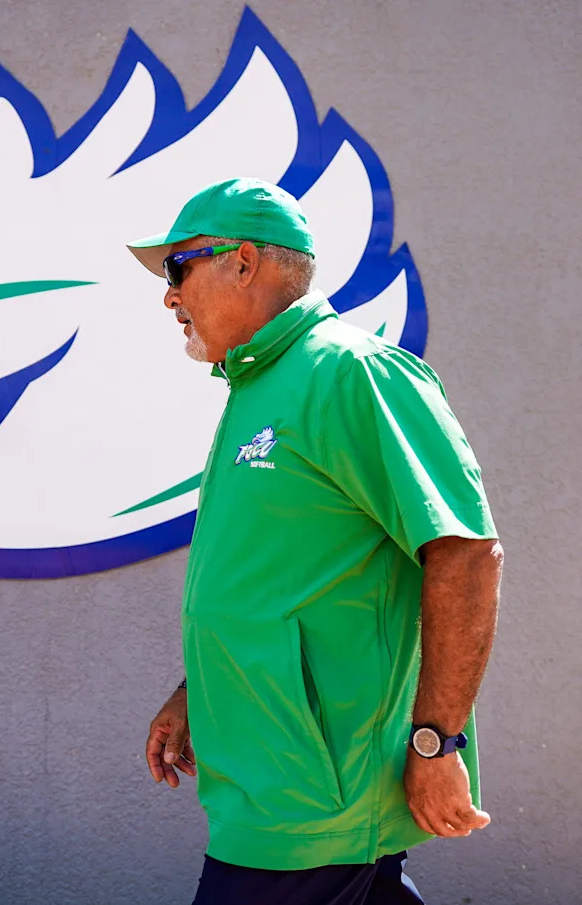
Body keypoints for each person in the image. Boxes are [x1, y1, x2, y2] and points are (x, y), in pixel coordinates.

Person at [126, 177, 503, 905]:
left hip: (308, 805)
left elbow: (464, 552)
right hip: (272, 789)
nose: (169, 297)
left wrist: (435, 742)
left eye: (178, 269)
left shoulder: (353, 374)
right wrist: (193, 694)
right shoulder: (256, 388)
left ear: (242, 262)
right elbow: (276, 579)